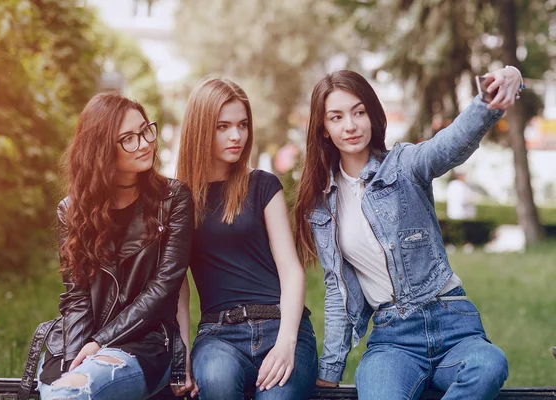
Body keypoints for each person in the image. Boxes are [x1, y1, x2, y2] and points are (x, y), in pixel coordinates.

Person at [293, 67, 522, 399]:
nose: (351, 125)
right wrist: (330, 369)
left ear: (372, 115)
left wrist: (492, 98)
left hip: (453, 325)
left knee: (488, 365)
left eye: (358, 112)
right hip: (393, 340)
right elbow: (336, 290)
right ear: (324, 129)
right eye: (337, 117)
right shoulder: (322, 204)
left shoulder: (405, 165)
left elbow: (452, 141)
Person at [37, 92, 194, 400]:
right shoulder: (72, 210)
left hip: (145, 342)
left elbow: (164, 287)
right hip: (78, 342)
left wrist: (100, 342)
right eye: (129, 138)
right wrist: (75, 360)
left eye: (146, 130)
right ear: (101, 150)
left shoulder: (173, 199)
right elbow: (76, 298)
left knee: (69, 396)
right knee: (68, 391)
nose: (146, 143)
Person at [175, 77, 318, 399]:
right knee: (217, 381)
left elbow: (291, 270)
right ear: (199, 129)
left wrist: (286, 343)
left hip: (280, 324)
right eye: (222, 126)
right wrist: (180, 355)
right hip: (218, 334)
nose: (236, 135)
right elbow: (177, 287)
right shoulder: (178, 199)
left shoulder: (263, 186)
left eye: (242, 125)